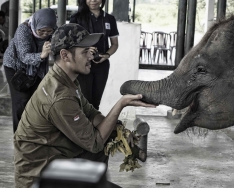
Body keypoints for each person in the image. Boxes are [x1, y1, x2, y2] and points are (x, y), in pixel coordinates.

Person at [13, 23, 155, 188]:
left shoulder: (66, 79)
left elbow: (91, 114)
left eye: (91, 50)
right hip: (39, 177)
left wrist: (119, 129)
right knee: (100, 142)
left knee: (108, 134)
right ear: (65, 55)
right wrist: (121, 104)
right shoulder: (60, 96)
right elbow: (94, 143)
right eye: (85, 52)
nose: (91, 56)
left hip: (57, 160)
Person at [3, 8, 57, 133]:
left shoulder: (54, 31)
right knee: (21, 101)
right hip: (16, 67)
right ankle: (19, 136)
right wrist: (42, 55)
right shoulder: (23, 30)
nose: (45, 34)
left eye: (49, 31)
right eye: (41, 31)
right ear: (35, 24)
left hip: (36, 68)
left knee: (35, 100)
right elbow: (24, 56)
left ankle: (31, 133)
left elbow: (58, 48)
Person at [69, 0, 119, 110]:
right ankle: (83, 126)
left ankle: (93, 126)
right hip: (83, 63)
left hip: (102, 65)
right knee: (84, 101)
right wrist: (85, 49)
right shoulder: (76, 18)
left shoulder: (109, 19)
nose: (93, 1)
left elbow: (115, 44)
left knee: (96, 102)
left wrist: (106, 55)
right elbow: (70, 43)